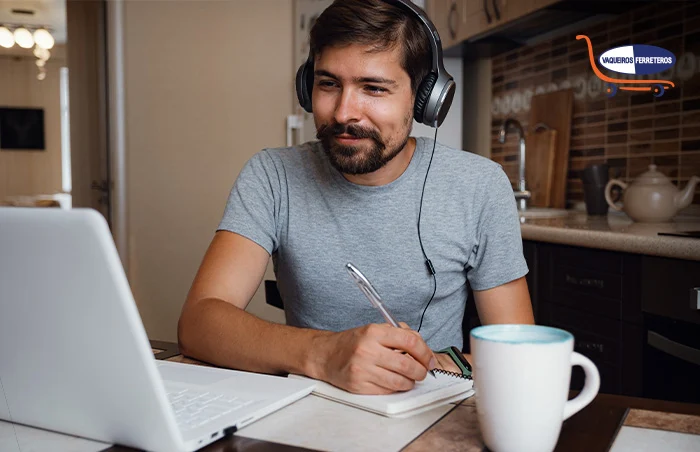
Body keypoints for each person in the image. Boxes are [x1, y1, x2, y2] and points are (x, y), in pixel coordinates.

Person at [178, 0, 534, 396]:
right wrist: (324, 353)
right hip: (309, 411)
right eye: (329, 84)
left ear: (423, 99)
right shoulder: (271, 176)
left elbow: (519, 355)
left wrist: (429, 363)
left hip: (429, 411)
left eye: (374, 88)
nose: (345, 112)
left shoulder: (479, 186)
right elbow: (198, 322)